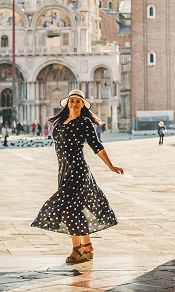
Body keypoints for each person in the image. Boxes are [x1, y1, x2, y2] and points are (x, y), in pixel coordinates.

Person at [31, 89, 124, 264]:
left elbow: (96, 145)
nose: (74, 103)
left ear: (83, 105)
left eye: (78, 101)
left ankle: (77, 249)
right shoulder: (60, 123)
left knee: (69, 210)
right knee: (76, 209)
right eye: (72, 101)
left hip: (78, 171)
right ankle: (87, 246)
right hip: (64, 171)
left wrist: (111, 166)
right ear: (67, 103)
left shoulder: (84, 122)